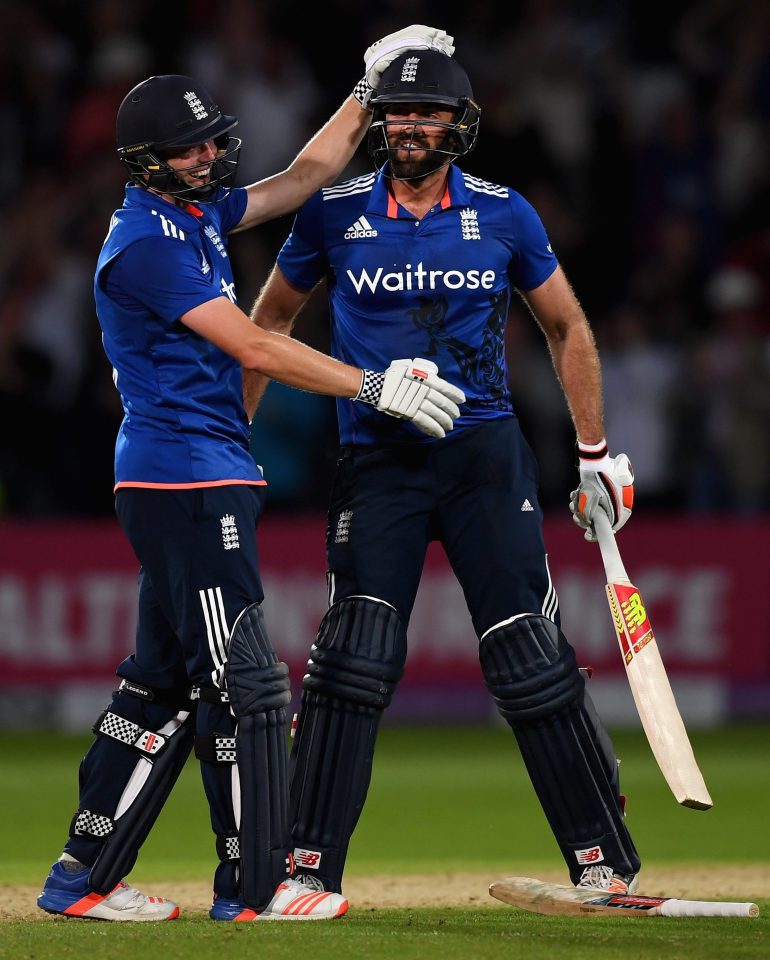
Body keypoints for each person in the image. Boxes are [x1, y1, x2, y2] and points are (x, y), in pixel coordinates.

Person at [37, 27, 465, 924]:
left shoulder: (190, 213)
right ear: (145, 163)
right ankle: (256, 889)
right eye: (186, 150)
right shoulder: (146, 244)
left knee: (158, 683)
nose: (207, 157)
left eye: (209, 141)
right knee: (242, 683)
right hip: (184, 481)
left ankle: (81, 879)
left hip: (198, 474)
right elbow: (254, 344)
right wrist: (373, 384)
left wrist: (367, 85)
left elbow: (303, 179)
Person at [247, 49, 641, 901]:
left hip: (484, 458)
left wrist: (595, 455)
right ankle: (303, 871)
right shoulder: (333, 214)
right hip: (376, 461)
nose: (411, 127)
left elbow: (567, 327)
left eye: (428, 113)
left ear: (458, 125)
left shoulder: (505, 214)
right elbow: (267, 324)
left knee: (529, 660)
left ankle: (601, 865)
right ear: (379, 120)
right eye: (397, 112)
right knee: (353, 659)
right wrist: (231, 449)